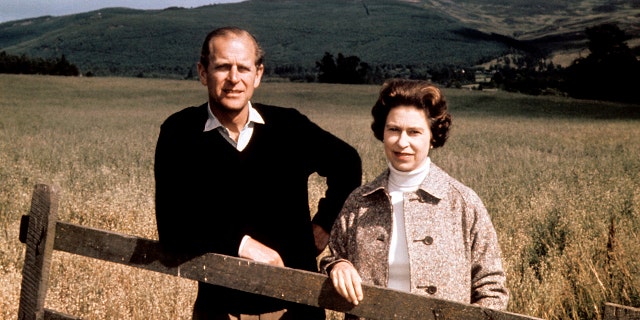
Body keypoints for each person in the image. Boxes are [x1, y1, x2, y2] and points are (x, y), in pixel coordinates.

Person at [154, 26, 362, 320]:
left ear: (258, 74)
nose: (234, 79)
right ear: (203, 72)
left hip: (296, 311)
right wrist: (242, 244)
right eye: (223, 67)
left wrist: (325, 224)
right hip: (219, 311)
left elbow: (348, 163)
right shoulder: (180, 133)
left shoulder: (290, 127)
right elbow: (172, 227)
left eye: (244, 68)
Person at [320, 78, 509, 318]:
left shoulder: (462, 202)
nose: (402, 142)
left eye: (414, 132)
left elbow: (491, 287)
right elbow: (333, 257)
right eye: (394, 130)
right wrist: (338, 265)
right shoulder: (359, 201)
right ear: (382, 132)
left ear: (432, 136)